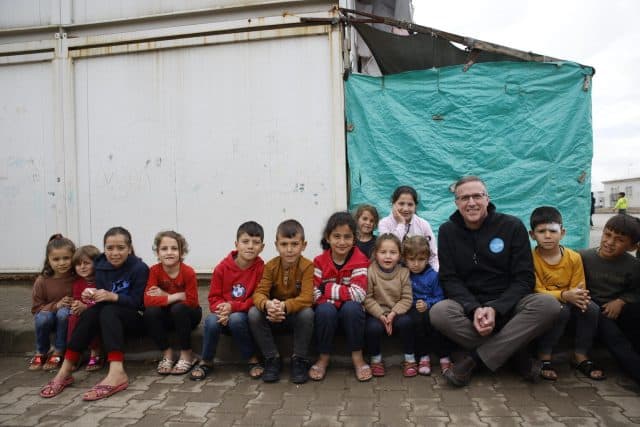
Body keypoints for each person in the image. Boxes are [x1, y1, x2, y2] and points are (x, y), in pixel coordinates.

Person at [430, 176, 560, 387]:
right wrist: (474, 309)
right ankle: (515, 355)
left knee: (549, 305)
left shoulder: (512, 226)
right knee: (439, 312)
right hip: (468, 306)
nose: (471, 202)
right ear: (456, 203)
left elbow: (524, 278)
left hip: (509, 305)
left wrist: (496, 308)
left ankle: (474, 360)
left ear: (487, 199)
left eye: (476, 196)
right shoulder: (447, 231)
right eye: (464, 198)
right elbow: (449, 278)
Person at [40, 226, 149, 400]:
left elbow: (140, 303)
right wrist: (89, 297)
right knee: (91, 312)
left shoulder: (139, 268)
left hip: (133, 320)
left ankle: (117, 373)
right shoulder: (101, 265)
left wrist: (113, 296)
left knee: (109, 310)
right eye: (109, 248)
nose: (115, 253)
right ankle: (65, 370)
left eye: (120, 248)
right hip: (108, 318)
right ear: (104, 248)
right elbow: (100, 296)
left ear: (129, 248)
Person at [529, 206, 603, 381]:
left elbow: (579, 287)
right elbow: (537, 289)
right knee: (560, 310)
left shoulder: (573, 257)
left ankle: (580, 355)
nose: (547, 236)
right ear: (532, 235)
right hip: (547, 302)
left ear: (562, 233)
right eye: (541, 231)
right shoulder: (531, 258)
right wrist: (563, 296)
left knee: (590, 308)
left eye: (553, 231)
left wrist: (575, 296)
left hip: (570, 298)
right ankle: (544, 355)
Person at [192, 222, 265, 381]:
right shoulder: (222, 268)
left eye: (256, 242)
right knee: (211, 321)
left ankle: (251, 359)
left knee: (236, 318)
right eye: (245, 241)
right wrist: (222, 310)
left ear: (262, 247)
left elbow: (258, 298)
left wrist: (233, 307)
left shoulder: (261, 269)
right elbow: (213, 298)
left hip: (243, 318)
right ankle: (207, 361)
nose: (250, 246)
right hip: (222, 315)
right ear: (236, 244)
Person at [249, 219, 314, 384]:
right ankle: (272, 359)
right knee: (254, 313)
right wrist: (268, 305)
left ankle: (299, 359)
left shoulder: (307, 266)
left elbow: (307, 297)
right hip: (273, 316)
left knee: (307, 313)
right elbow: (259, 293)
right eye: (284, 244)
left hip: (294, 317)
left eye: (294, 244)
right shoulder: (270, 266)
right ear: (276, 245)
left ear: (304, 245)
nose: (289, 249)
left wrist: (284, 306)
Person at [309, 211, 372, 382]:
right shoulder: (319, 261)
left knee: (352, 308)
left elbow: (358, 294)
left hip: (350, 312)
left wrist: (327, 288)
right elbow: (314, 293)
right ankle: (323, 358)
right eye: (336, 236)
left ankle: (358, 358)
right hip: (328, 311)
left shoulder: (360, 260)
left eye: (347, 237)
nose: (342, 242)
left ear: (354, 238)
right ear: (327, 238)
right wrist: (338, 297)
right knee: (325, 310)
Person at [580, 215, 640, 388]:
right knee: (615, 338)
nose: (610, 242)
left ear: (632, 246)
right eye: (607, 235)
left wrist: (621, 301)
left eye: (619, 240)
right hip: (591, 311)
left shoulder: (634, 266)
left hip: (617, 309)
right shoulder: (583, 258)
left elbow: (636, 290)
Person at [144, 231, 202, 375]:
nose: (169, 253)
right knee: (150, 312)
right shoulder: (154, 271)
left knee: (179, 308)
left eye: (174, 248)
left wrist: (165, 296)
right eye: (164, 249)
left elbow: (192, 301)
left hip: (190, 315)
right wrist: (176, 296)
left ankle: (187, 354)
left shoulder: (188, 272)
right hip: (168, 316)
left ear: (181, 252)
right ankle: (167, 353)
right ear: (157, 253)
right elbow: (147, 300)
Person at [364, 233, 415, 377]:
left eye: (393, 252)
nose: (388, 256)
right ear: (376, 253)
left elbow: (406, 298)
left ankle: (410, 359)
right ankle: (376, 360)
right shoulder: (371, 271)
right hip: (377, 313)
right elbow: (367, 298)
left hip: (397, 312)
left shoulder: (403, 273)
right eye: (383, 252)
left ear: (399, 255)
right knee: (372, 328)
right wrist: (381, 315)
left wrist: (393, 314)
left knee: (407, 323)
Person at [403, 235, 452, 376]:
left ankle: (444, 356)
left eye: (421, 260)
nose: (416, 264)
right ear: (405, 259)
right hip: (412, 309)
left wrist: (428, 304)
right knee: (416, 322)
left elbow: (440, 296)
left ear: (427, 258)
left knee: (436, 324)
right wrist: (413, 303)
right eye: (411, 259)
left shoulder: (433, 276)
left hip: (430, 308)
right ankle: (423, 356)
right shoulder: (404, 274)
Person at [29, 234, 76, 371]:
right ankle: (42, 351)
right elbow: (36, 309)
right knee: (43, 317)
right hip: (48, 318)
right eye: (56, 259)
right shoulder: (42, 281)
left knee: (63, 313)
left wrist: (73, 302)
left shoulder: (76, 278)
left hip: (65, 317)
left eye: (66, 258)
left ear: (73, 257)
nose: (61, 263)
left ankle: (59, 350)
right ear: (48, 260)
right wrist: (56, 305)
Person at [378, 186, 439, 271]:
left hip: (419, 272)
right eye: (401, 203)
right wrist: (401, 224)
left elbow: (433, 255)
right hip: (393, 273)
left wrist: (436, 275)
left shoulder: (423, 224)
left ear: (415, 206)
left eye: (410, 204)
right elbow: (390, 248)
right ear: (393, 204)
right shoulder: (384, 223)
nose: (406, 209)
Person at [67, 245, 103, 372]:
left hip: (97, 311)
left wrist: (86, 306)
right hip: (82, 311)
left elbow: (102, 301)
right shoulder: (78, 283)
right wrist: (76, 305)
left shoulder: (101, 280)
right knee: (72, 317)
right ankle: (75, 352)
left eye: (86, 263)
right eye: (78, 264)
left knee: (91, 317)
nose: (82, 267)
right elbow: (77, 299)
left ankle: (95, 351)